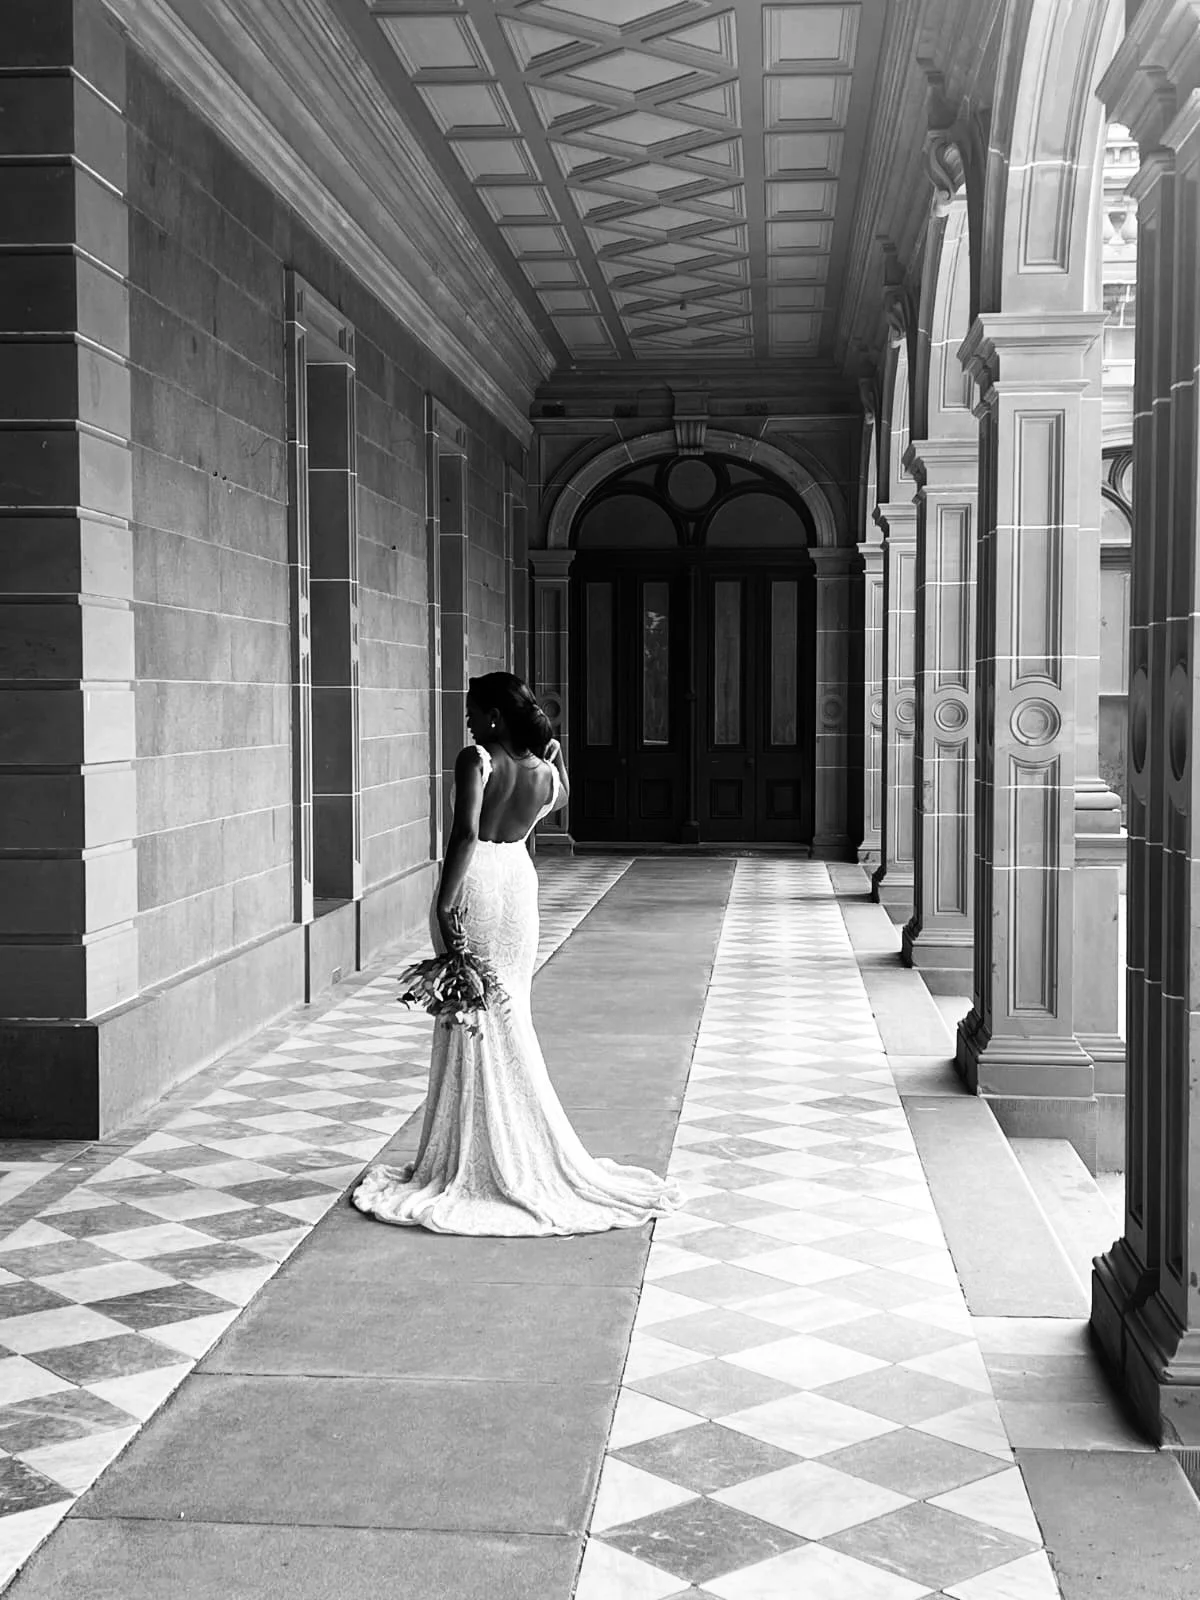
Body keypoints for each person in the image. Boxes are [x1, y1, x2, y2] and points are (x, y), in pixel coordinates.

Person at [352, 671, 682, 1236]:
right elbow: (562, 797)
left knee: (468, 1014)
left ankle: (478, 1153)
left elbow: (464, 834)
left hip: (477, 880)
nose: (467, 720)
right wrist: (559, 757)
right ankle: (520, 1143)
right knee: (510, 1011)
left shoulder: (476, 759)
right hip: (519, 885)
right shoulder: (544, 772)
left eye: (473, 710)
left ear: (495, 716)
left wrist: (444, 901)